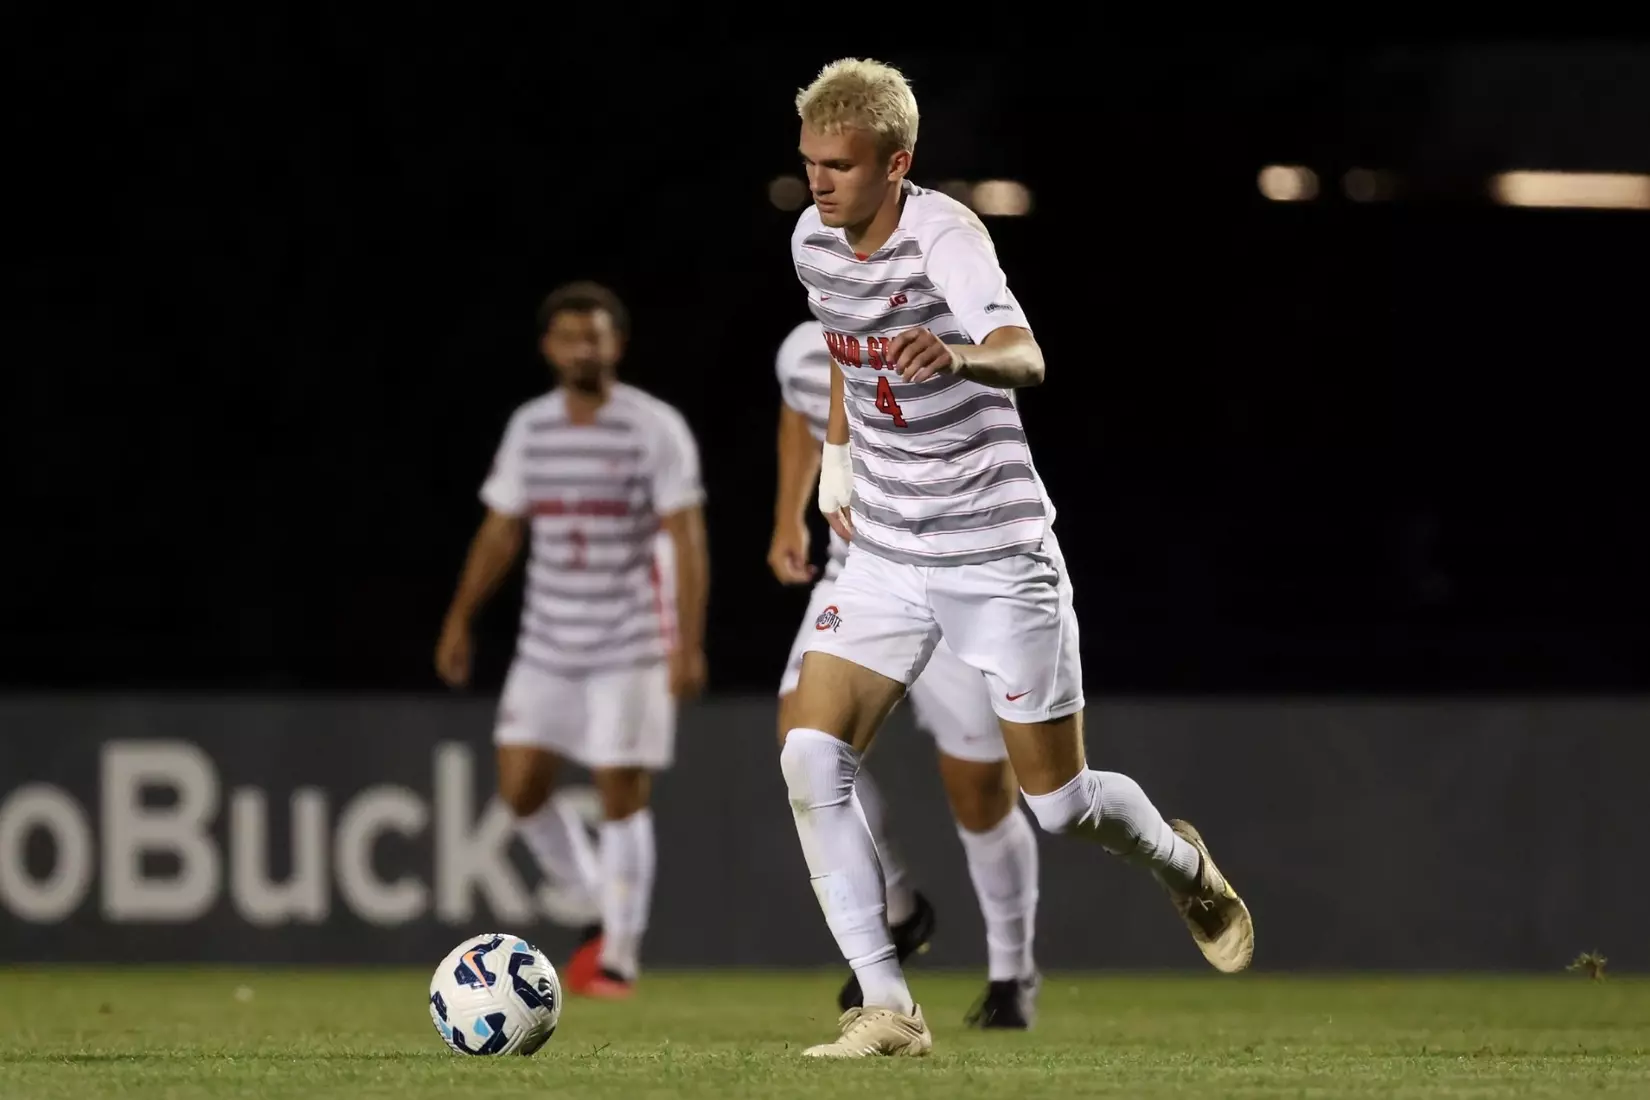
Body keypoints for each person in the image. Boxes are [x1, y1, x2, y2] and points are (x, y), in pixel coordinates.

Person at [779, 59, 1254, 1058]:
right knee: (810, 755)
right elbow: (844, 346)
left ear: (896, 164)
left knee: (1059, 805)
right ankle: (888, 1006)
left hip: (995, 552)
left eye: (841, 165)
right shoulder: (812, 241)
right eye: (810, 161)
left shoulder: (945, 235)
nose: (819, 182)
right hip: (888, 553)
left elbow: (1024, 352)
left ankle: (1185, 866)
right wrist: (837, 460)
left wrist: (957, 354)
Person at [435, 281, 709, 1000]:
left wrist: (687, 643)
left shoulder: (653, 427)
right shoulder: (531, 428)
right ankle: (595, 902)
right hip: (547, 644)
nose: (583, 349)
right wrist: (460, 617)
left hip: (632, 641)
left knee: (621, 790)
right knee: (520, 790)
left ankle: (618, 955)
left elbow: (686, 536)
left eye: (595, 335)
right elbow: (502, 529)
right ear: (548, 349)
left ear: (618, 344)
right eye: (570, 337)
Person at [771, 318, 1042, 1029]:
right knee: (804, 742)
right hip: (858, 578)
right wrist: (788, 515)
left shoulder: (952, 334)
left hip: (954, 572)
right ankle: (895, 915)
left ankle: (1012, 972)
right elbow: (800, 413)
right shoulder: (806, 348)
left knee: (982, 792)